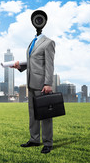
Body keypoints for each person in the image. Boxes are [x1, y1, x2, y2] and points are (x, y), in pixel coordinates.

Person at [11, 10, 55, 154]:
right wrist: (20, 66)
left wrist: (48, 83)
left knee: (46, 115)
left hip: (43, 84)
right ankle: (34, 139)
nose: (37, 22)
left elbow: (49, 64)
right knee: (33, 114)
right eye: (35, 20)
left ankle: (48, 143)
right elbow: (32, 62)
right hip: (31, 83)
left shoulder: (48, 43)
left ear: (44, 22)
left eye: (39, 19)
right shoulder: (32, 42)